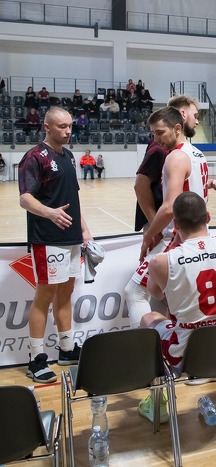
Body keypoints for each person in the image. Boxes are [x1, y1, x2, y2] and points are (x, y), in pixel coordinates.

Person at [136, 191, 216, 420]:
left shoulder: (162, 262)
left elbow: (155, 293)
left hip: (189, 356)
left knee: (149, 318)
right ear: (208, 217)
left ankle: (158, 404)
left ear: (175, 225)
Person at [124, 103, 216, 328]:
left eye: (160, 133)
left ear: (177, 128)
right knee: (173, 297)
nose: (156, 139)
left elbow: (170, 207)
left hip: (177, 238)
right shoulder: (197, 154)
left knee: (134, 292)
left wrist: (148, 235)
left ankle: (143, 345)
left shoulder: (175, 157)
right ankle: (176, 338)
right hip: (199, 236)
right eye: (153, 133)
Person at [18, 107, 92, 383]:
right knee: (44, 296)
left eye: (70, 126)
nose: (68, 131)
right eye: (62, 126)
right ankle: (35, 359)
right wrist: (50, 213)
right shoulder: (35, 157)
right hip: (48, 239)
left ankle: (67, 349)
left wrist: (84, 229)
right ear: (47, 127)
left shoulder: (69, 156)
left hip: (71, 238)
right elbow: (25, 198)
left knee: (66, 293)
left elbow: (72, 197)